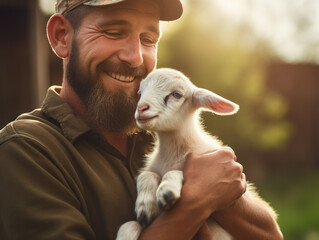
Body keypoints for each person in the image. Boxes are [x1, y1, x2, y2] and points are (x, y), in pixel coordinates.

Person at [0, 0, 283, 239]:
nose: (135, 58)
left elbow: (272, 235)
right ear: (62, 36)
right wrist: (195, 203)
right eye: (112, 32)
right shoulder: (25, 150)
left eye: (148, 39)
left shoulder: (164, 130)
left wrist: (222, 195)